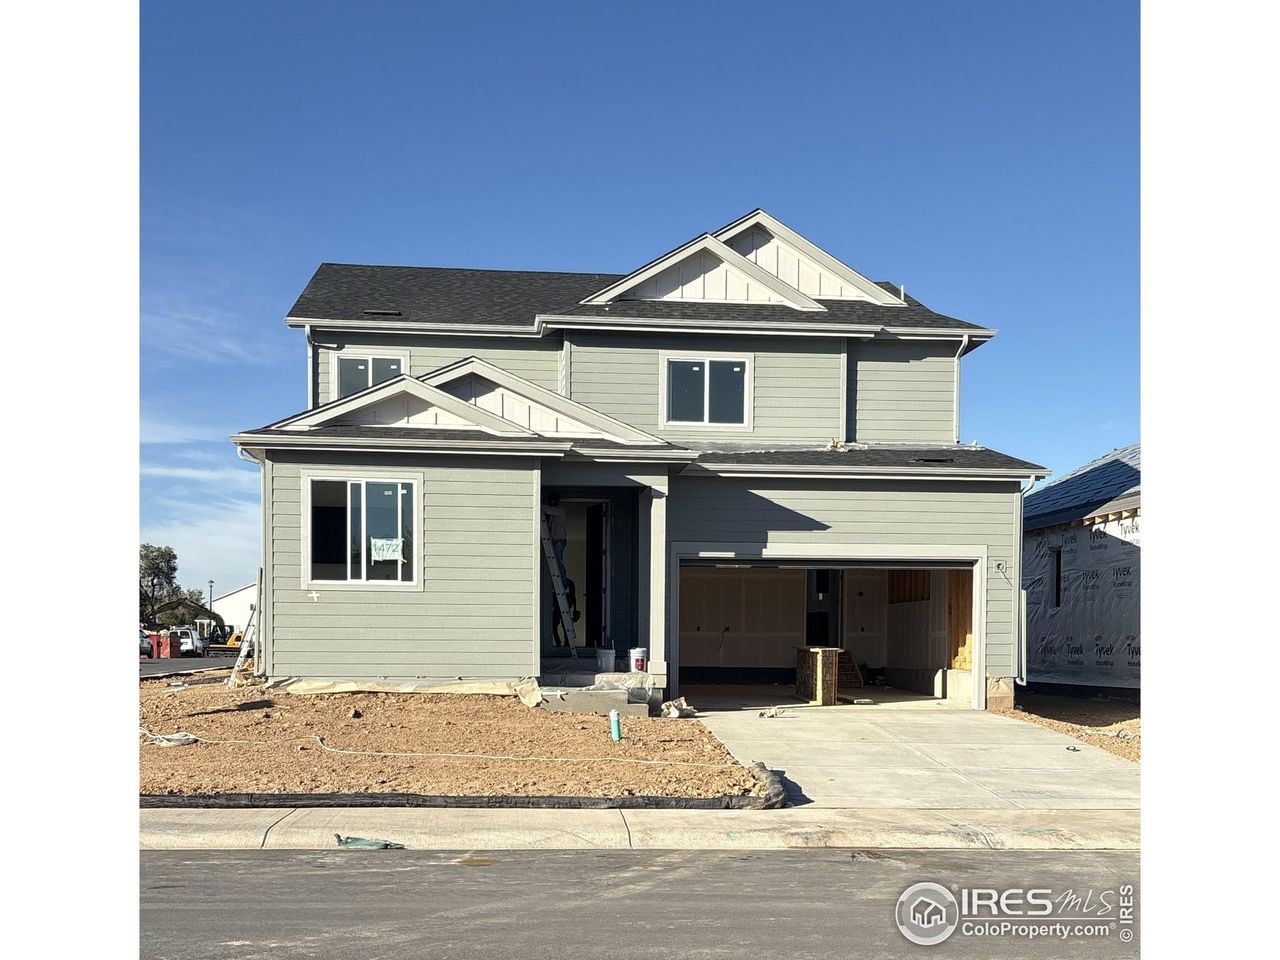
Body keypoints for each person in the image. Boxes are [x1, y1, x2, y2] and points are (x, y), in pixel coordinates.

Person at [542, 492, 568, 574]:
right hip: (556, 539)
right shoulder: (555, 511)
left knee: (558, 562)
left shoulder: (560, 510)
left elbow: (546, 509)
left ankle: (563, 583)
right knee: (557, 561)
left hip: (559, 540)